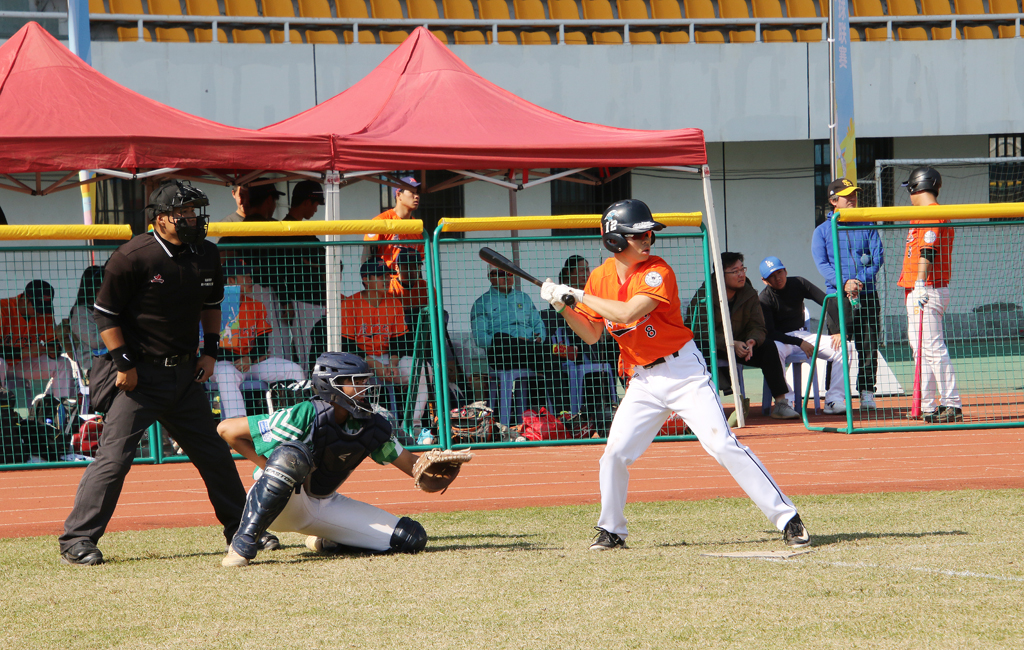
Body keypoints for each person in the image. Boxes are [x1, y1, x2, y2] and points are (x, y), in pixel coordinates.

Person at [540, 199, 809, 550]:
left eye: (649, 233)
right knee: (614, 454)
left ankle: (787, 517)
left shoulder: (657, 271)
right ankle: (612, 530)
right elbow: (591, 334)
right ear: (614, 240)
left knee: (721, 444)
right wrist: (562, 306)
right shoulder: (600, 278)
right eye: (638, 235)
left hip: (683, 372)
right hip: (643, 380)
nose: (648, 239)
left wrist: (576, 294)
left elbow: (625, 313)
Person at [58, 180, 276, 566]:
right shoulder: (132, 256)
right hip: (139, 376)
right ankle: (77, 540)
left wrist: (209, 353)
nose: (193, 219)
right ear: (160, 219)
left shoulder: (207, 253)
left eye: (195, 212)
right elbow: (105, 314)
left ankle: (242, 530)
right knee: (114, 458)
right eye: (184, 213)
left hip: (185, 374)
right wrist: (123, 364)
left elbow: (212, 303)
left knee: (214, 454)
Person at [218, 352, 432, 567]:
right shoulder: (304, 414)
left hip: (326, 502)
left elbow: (413, 466)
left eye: (365, 381)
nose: (365, 387)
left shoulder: (371, 424)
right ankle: (242, 543)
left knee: (411, 537)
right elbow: (226, 429)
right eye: (357, 381)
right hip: (283, 504)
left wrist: (439, 470)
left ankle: (328, 541)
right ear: (332, 385)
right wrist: (267, 466)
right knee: (291, 457)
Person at [685, 252, 800, 420]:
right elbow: (699, 329)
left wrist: (752, 341)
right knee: (701, 349)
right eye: (734, 271)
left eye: (742, 269)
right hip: (715, 346)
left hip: (743, 347)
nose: (741, 274)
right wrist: (730, 343)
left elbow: (758, 325)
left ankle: (781, 404)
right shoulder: (705, 295)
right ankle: (708, 406)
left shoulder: (749, 293)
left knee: (768, 346)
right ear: (720, 274)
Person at [811, 178, 885, 410]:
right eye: (847, 195)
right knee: (839, 346)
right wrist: (844, 283)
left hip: (867, 293)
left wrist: (859, 281)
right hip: (837, 296)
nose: (852, 198)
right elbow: (822, 265)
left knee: (869, 343)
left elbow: (877, 257)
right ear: (834, 201)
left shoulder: (868, 224)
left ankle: (866, 392)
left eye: (854, 194)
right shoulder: (822, 231)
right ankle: (834, 398)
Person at [897, 166, 963, 423]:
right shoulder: (922, 213)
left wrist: (921, 283)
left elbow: (928, 249)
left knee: (933, 349)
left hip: (928, 289)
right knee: (920, 350)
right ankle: (927, 406)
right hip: (920, 289)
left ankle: (952, 403)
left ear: (916, 187)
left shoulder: (931, 213)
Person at [208, 260, 305, 420]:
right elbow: (208, 345)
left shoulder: (256, 305)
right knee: (226, 373)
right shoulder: (213, 305)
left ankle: (298, 419)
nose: (251, 280)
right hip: (223, 364)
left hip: (251, 363)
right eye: (245, 276)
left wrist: (250, 358)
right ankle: (237, 427)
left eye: (250, 276)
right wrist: (241, 359)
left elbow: (262, 343)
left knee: (293, 369)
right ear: (231, 281)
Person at [340, 260, 430, 427]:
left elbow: (399, 340)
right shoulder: (350, 304)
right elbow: (346, 345)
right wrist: (373, 363)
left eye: (388, 276)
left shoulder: (394, 303)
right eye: (381, 276)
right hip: (359, 362)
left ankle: (412, 425)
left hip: (388, 360)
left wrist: (393, 362)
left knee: (424, 370)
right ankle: (353, 426)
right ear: (366, 279)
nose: (387, 279)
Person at [757, 256, 851, 414]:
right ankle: (786, 401)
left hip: (803, 335)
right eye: (772, 276)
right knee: (773, 351)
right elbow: (771, 333)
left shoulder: (799, 283)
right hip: (782, 340)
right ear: (764, 281)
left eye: (780, 272)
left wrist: (839, 331)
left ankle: (833, 400)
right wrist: (798, 342)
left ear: (786, 271)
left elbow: (828, 301)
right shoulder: (764, 298)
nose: (777, 278)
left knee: (845, 347)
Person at [470, 265, 568, 414]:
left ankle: (563, 414)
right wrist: (515, 342)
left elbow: (539, 326)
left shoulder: (523, 298)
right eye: (501, 274)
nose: (507, 277)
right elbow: (481, 339)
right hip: (502, 354)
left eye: (510, 274)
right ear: (490, 277)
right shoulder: (481, 303)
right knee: (501, 339)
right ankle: (554, 350)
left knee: (553, 363)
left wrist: (538, 338)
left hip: (529, 351)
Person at [0, 279, 74, 400]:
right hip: (3, 363)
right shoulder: (3, 309)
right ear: (24, 299)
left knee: (62, 363)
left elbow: (55, 346)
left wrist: (48, 350)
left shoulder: (46, 313)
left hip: (21, 363)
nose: (41, 313)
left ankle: (63, 410)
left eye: (44, 308)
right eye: (37, 307)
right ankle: (3, 411)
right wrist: (24, 352)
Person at [362, 176, 423, 269]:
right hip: (387, 281)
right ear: (398, 195)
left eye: (417, 192)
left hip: (410, 282)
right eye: (412, 192)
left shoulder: (417, 226)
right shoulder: (380, 221)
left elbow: (418, 265)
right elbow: (367, 259)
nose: (417, 196)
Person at [66, 266, 106, 375]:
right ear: (91, 288)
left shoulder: (105, 308)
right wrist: (119, 333)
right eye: (102, 287)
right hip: (93, 363)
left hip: (112, 359)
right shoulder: (81, 312)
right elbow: (95, 342)